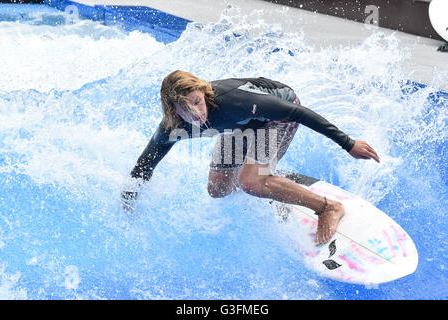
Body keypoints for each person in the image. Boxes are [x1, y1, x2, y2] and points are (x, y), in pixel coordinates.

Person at [121, 70, 380, 246]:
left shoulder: (232, 101)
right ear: (173, 111)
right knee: (218, 189)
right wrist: (129, 197)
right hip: (239, 126)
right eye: (185, 110)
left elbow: (297, 112)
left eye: (198, 102)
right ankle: (276, 180)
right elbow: (146, 162)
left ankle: (327, 207)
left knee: (250, 182)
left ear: (202, 91)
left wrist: (348, 143)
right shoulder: (172, 127)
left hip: (276, 117)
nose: (197, 114)